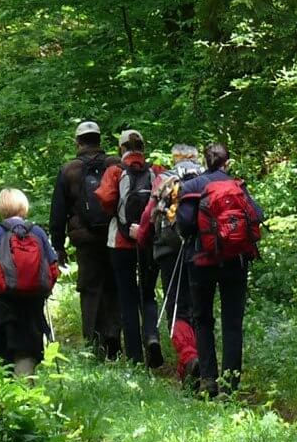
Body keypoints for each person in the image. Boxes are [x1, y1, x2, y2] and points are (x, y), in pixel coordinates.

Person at [176, 143, 264, 396]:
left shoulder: (192, 186)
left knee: (202, 319)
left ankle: (208, 379)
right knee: (232, 322)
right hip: (235, 262)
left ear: (205, 161)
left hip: (201, 262)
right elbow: (257, 216)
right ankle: (231, 383)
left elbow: (184, 225)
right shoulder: (238, 186)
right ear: (227, 162)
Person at [0, 188, 61, 377]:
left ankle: (13, 391)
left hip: (3, 299)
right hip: (33, 299)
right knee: (27, 344)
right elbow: (53, 268)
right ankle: (23, 386)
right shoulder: (37, 232)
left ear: (0, 208)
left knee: (7, 343)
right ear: (24, 206)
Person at [50, 121, 122, 360]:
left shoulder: (69, 170)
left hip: (85, 240)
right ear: (99, 140)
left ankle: (94, 342)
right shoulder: (115, 164)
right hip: (115, 237)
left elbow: (58, 213)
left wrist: (58, 247)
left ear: (78, 142)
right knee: (114, 285)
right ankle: (114, 335)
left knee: (90, 288)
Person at [95, 130, 166, 369]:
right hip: (148, 240)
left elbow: (105, 200)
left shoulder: (115, 171)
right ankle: (152, 337)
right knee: (147, 292)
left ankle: (135, 356)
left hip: (120, 242)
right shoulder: (156, 171)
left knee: (126, 296)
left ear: (121, 148)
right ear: (143, 148)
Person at [136, 144, 204, 381]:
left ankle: (188, 357)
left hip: (170, 250)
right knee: (199, 308)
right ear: (196, 158)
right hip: (202, 251)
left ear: (175, 158)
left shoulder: (165, 179)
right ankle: (199, 365)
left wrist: (143, 239)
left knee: (177, 306)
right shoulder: (207, 179)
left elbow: (149, 215)